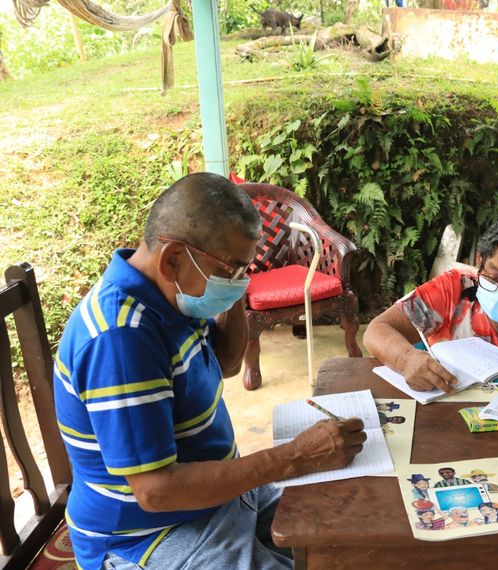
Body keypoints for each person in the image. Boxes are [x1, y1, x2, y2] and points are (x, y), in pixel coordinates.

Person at [53, 173, 367, 570]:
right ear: (172, 259)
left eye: (244, 270)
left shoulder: (171, 293)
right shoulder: (122, 338)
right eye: (232, 270)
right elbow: (156, 491)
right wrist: (295, 457)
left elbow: (228, 363)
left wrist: (232, 286)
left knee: (345, 538)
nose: (240, 281)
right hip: (149, 534)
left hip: (218, 493)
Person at [364, 212, 498, 394]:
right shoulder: (455, 290)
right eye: (493, 276)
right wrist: (406, 359)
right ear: (480, 263)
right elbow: (377, 330)